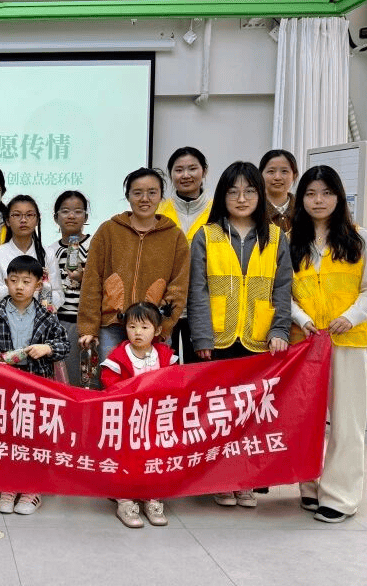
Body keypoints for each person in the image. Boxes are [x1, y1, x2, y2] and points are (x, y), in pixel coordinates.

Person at [187, 161, 292, 509]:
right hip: (218, 340)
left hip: (259, 339)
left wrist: (279, 329)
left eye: (249, 191)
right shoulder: (206, 235)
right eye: (233, 192)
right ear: (223, 196)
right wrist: (202, 337)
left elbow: (283, 288)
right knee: (218, 415)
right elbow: (197, 290)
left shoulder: (275, 237)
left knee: (251, 416)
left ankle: (244, 479)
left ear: (260, 195)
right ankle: (219, 479)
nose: (242, 198)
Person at [290, 165, 367, 523]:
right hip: (304, 342)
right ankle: (309, 486)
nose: (318, 200)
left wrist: (352, 317)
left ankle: (340, 497)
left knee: (346, 420)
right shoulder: (290, 241)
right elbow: (282, 293)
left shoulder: (360, 239)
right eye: (311, 193)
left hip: (348, 341)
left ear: (339, 197)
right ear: (301, 199)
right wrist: (300, 318)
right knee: (305, 417)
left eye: (326, 193)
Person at [0, 255, 69, 516]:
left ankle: (32, 488)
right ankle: (8, 485)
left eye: (26, 281)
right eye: (14, 280)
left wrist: (47, 348)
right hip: (5, 387)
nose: (19, 286)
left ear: (37, 285)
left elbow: (64, 344)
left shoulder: (47, 316)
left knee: (36, 437)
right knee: (7, 435)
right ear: (6, 282)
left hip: (37, 385)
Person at [78, 168, 189, 367]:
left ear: (161, 196)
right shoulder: (108, 231)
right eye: (137, 193)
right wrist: (89, 328)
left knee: (152, 384)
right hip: (112, 326)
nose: (145, 199)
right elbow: (92, 280)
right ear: (128, 195)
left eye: (152, 192)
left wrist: (162, 326)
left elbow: (178, 287)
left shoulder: (175, 236)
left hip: (153, 328)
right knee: (113, 381)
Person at [99, 302, 178, 528]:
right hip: (128, 420)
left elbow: (175, 384)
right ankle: (125, 500)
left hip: (155, 420)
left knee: (154, 456)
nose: (138, 333)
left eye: (144, 327)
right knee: (126, 458)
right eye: (132, 327)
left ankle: (152, 497)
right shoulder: (118, 357)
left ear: (157, 330)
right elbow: (110, 385)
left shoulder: (165, 356)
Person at [156, 147, 213, 363]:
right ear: (171, 174)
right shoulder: (159, 211)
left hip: (204, 307)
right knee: (164, 368)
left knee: (198, 371)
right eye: (179, 170)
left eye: (192, 169)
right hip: (165, 305)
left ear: (204, 171)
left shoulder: (217, 211)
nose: (186, 175)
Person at [46, 190, 93, 386]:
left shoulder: (94, 245)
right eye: (65, 211)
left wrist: (84, 278)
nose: (71, 216)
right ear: (55, 218)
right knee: (65, 379)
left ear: (86, 217)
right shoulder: (50, 251)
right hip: (61, 322)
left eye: (78, 211)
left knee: (89, 378)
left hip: (88, 323)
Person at [0, 194, 63, 310]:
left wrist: (16, 288)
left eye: (29, 215)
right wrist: (31, 287)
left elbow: (58, 295)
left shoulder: (47, 254)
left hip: (40, 318)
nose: (23, 220)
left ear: (37, 220)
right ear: (7, 221)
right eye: (16, 215)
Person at [260, 149, 299, 232]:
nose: (277, 177)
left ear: (294, 176)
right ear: (260, 175)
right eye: (271, 171)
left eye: (284, 171)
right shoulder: (252, 209)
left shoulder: (303, 209)